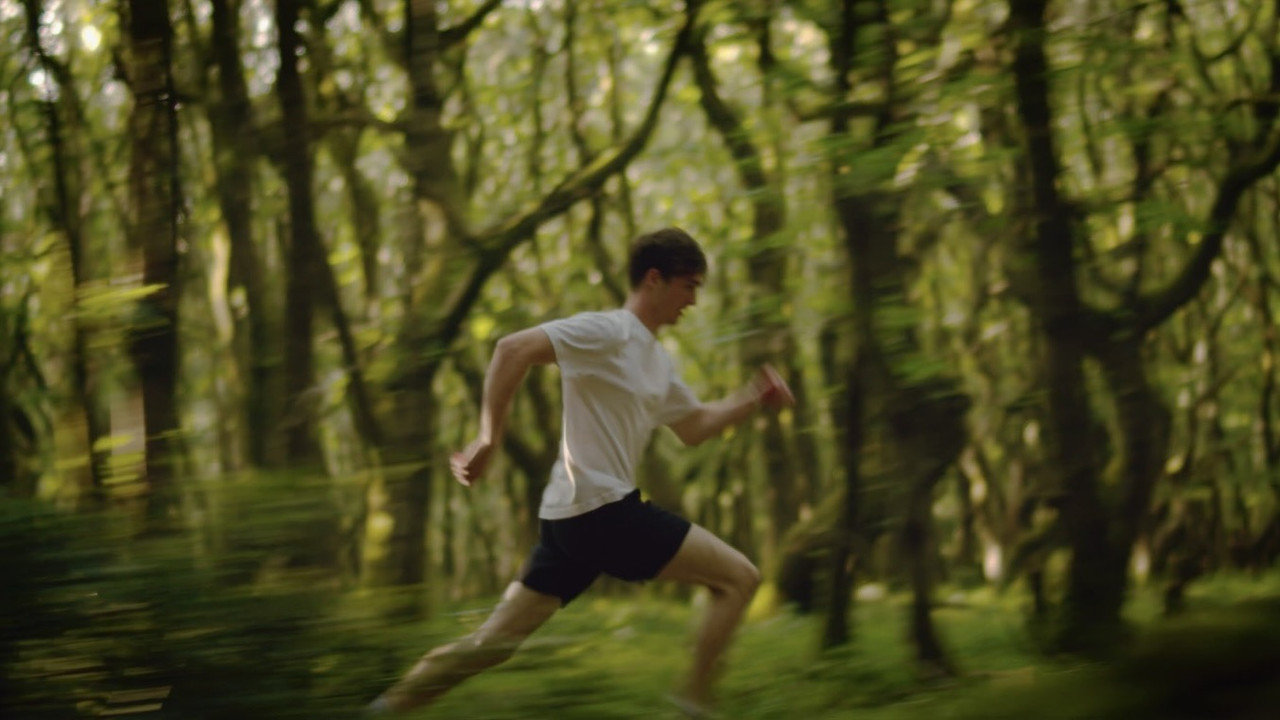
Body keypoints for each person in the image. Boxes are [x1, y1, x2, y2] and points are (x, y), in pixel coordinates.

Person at [366, 227, 794, 717]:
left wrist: (751, 398)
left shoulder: (655, 359)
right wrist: (488, 438)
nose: (693, 300)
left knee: (493, 644)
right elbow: (511, 349)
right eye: (689, 285)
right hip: (602, 510)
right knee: (739, 578)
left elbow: (694, 426)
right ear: (654, 279)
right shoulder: (609, 331)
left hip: (572, 519)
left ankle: (383, 708)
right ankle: (692, 703)